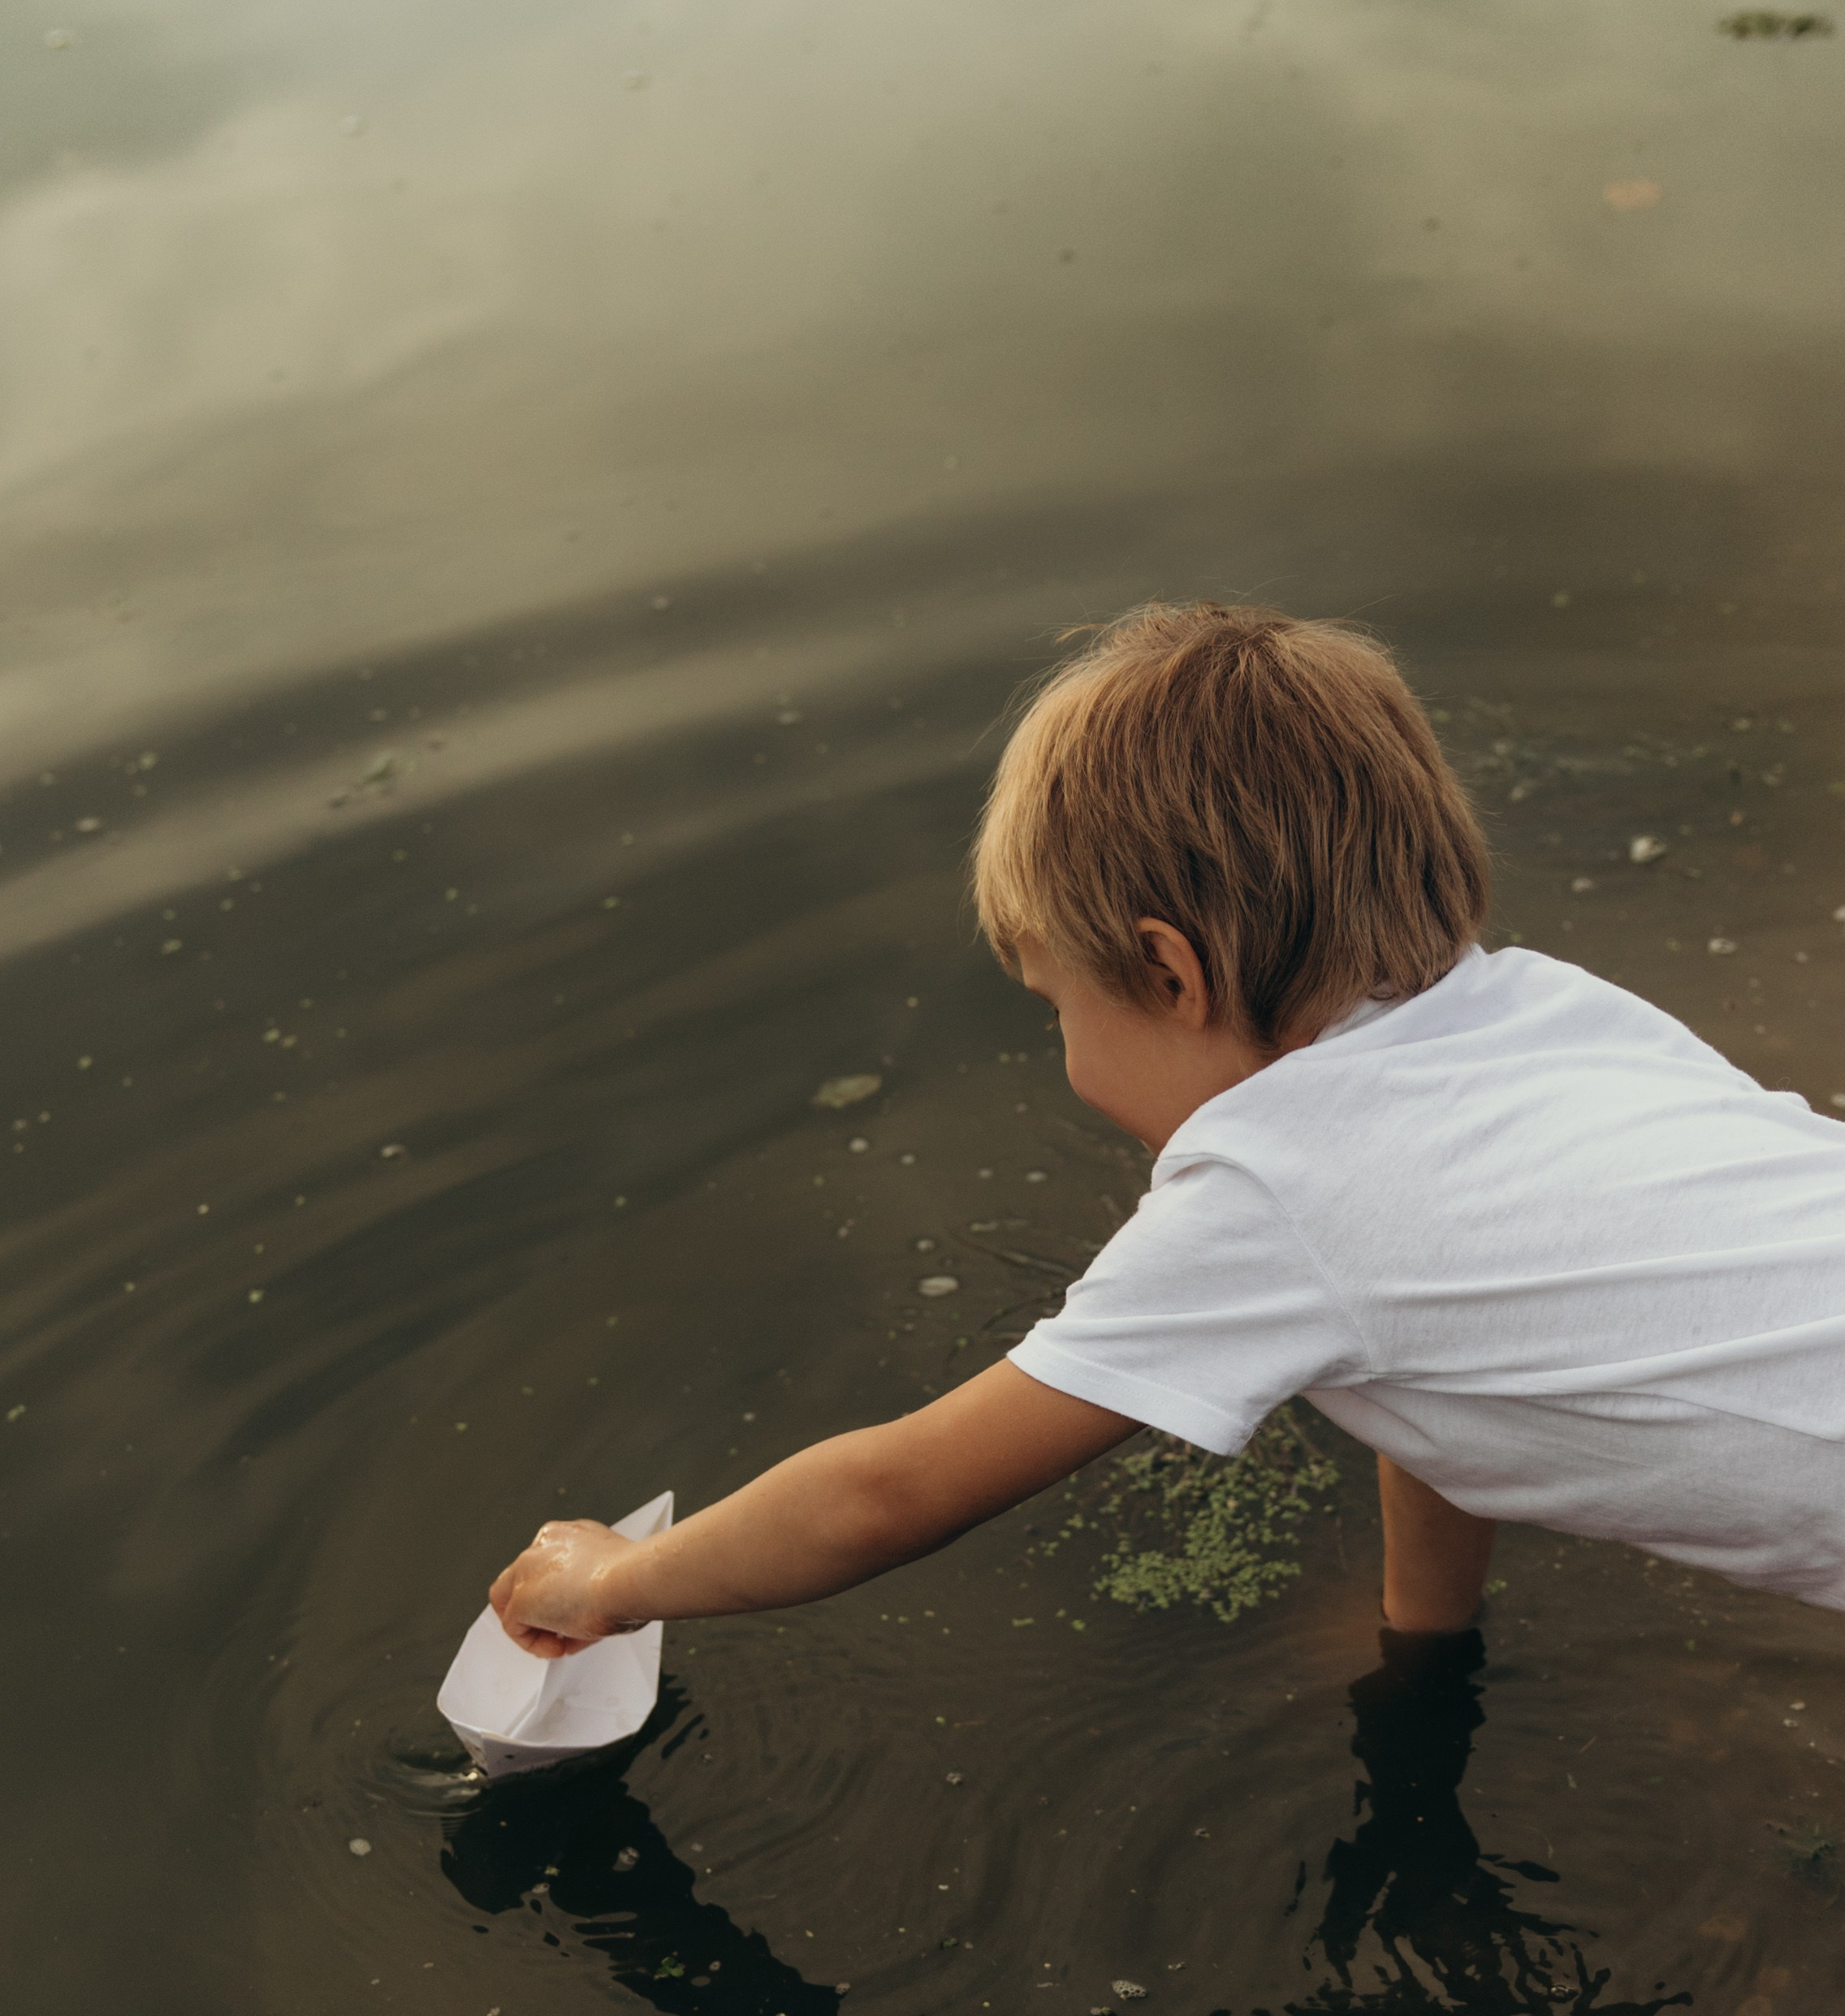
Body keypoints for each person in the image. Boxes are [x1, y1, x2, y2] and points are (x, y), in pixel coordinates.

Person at [487, 601, 1845, 1660]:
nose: (1065, 1053)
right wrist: (1419, 1637)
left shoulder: (1275, 1192)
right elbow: (1439, 1376)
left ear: (1171, 974)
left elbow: (884, 1497)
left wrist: (616, 1581)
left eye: (1055, 1008)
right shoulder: (1543, 1015)